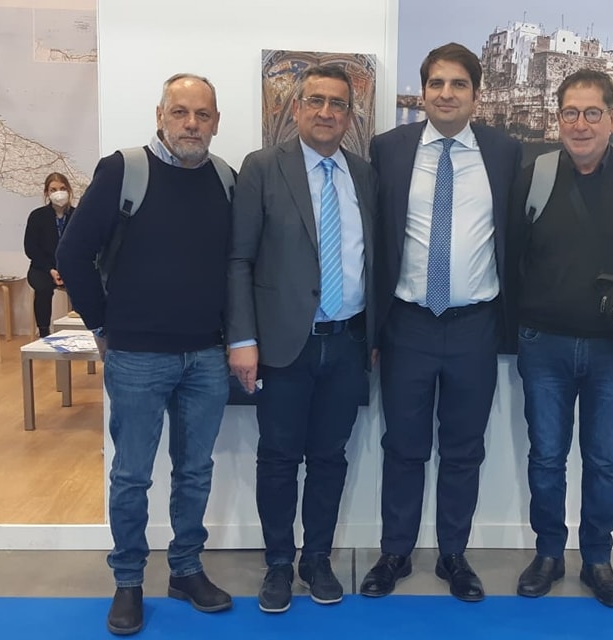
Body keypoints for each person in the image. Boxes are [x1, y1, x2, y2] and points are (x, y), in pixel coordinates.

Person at [56, 73, 234, 636]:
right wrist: (101, 324)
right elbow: (72, 253)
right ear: (160, 115)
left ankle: (186, 570)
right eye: (180, 112)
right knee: (132, 476)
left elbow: (234, 265)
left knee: (195, 471)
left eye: (202, 115)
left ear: (216, 122)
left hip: (206, 356)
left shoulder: (225, 179)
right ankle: (129, 581)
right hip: (137, 356)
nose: (191, 124)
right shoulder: (123, 170)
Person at [507, 70, 613, 608]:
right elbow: (511, 258)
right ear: (557, 118)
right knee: (546, 458)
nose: (580, 125)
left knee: (605, 460)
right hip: (545, 347)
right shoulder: (534, 179)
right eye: (570, 113)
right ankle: (548, 553)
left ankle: (598, 560)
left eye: (592, 113)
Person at [362, 42, 522, 603]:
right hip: (407, 324)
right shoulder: (389, 149)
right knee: (403, 446)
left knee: (463, 448)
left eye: (458, 84)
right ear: (424, 91)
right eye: (436, 83)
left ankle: (454, 554)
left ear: (477, 95)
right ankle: (395, 553)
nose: (446, 94)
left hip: (475, 325)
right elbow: (376, 239)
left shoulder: (505, 153)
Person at [226, 65, 377, 614]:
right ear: (296, 109)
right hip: (284, 344)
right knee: (278, 457)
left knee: (330, 458)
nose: (326, 112)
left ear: (350, 115)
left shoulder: (364, 174)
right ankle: (277, 564)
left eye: (337, 104)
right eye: (315, 101)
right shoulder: (263, 167)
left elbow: (373, 258)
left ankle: (317, 559)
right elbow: (239, 259)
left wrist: (375, 336)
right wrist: (242, 338)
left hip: (347, 344)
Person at [23, 173, 75, 337]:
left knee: (82, 286)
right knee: (43, 289)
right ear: (47, 193)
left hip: (71, 266)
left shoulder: (78, 215)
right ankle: (44, 331)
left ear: (69, 191)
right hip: (43, 268)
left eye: (62, 188)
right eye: (53, 189)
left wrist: (67, 269)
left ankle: (81, 328)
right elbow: (31, 249)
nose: (59, 193)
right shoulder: (37, 216)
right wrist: (51, 270)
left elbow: (84, 245)